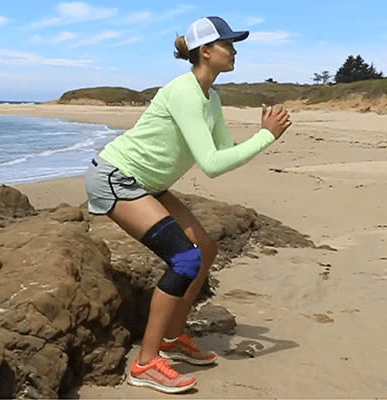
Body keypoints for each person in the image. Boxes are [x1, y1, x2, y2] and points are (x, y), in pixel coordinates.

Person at [85, 16, 292, 394]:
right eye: (228, 44)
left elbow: (224, 153)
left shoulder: (211, 98)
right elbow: (212, 166)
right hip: (117, 177)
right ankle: (145, 364)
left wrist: (263, 135)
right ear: (206, 51)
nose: (234, 50)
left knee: (206, 250)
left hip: (150, 183)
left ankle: (172, 338)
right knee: (184, 260)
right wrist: (266, 136)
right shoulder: (183, 92)